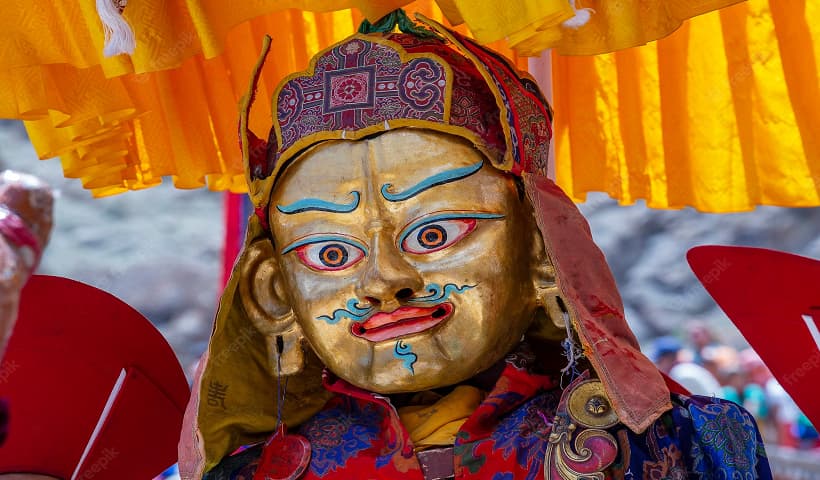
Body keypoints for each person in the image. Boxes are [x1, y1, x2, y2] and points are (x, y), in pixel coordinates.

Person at [181, 12, 772, 480]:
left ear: (544, 250)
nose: (385, 281)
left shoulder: (672, 449)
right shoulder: (254, 472)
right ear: (272, 289)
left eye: (434, 234)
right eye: (331, 254)